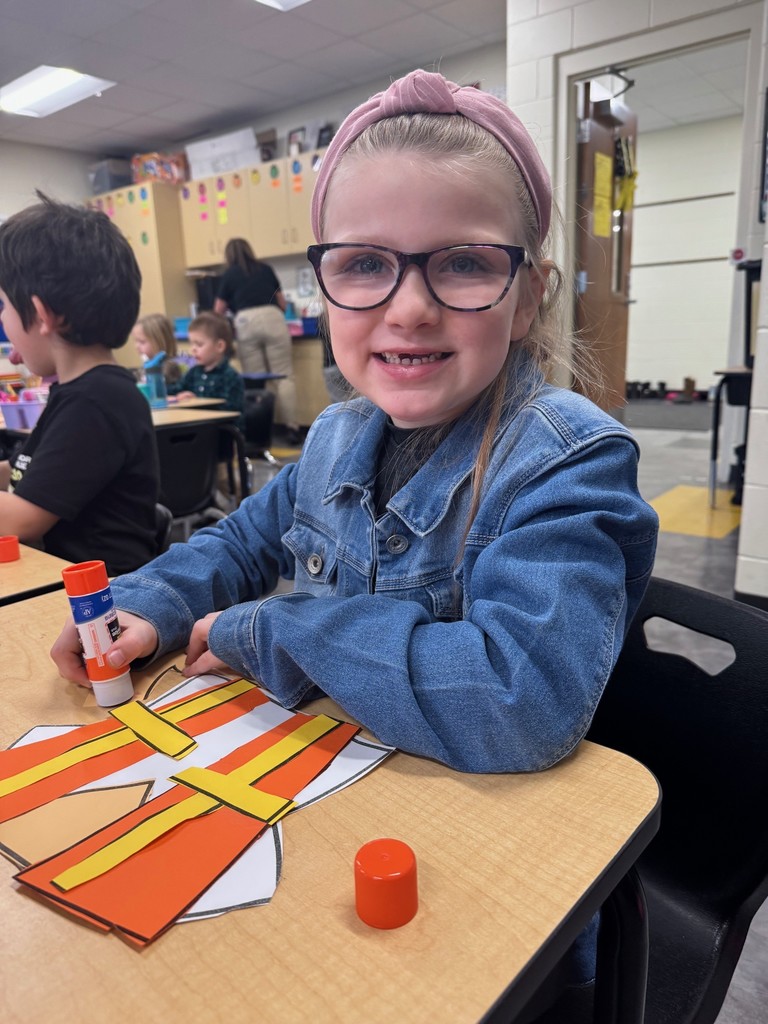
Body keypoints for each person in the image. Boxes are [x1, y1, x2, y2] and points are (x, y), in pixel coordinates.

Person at [52, 73, 658, 784]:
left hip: (491, 831)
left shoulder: (566, 463)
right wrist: (151, 605)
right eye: (366, 264)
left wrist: (269, 629)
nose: (408, 310)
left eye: (463, 263)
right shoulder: (337, 435)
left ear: (526, 299)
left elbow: (518, 701)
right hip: (349, 780)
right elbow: (243, 541)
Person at [0, 192, 160, 575]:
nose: (3, 321)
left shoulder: (96, 400)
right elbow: (34, 470)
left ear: (40, 315)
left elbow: (19, 521)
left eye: (2, 306)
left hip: (108, 605)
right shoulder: (76, 391)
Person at [213, 237, 301, 445]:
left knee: (256, 380)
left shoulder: (229, 274)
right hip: (273, 317)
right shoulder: (265, 269)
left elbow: (218, 311)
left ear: (228, 256)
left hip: (245, 321)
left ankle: (261, 432)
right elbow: (281, 302)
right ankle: (293, 429)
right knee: (284, 377)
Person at [167, 311, 245, 432]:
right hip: (199, 429)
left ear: (219, 346)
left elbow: (230, 409)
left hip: (223, 432)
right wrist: (170, 394)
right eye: (191, 343)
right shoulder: (193, 373)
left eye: (199, 344)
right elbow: (176, 389)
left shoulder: (230, 376)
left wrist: (197, 401)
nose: (193, 349)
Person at [132, 313, 185, 387]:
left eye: (142, 342)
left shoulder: (170, 368)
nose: (137, 346)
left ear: (159, 342)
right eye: (136, 341)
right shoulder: (145, 366)